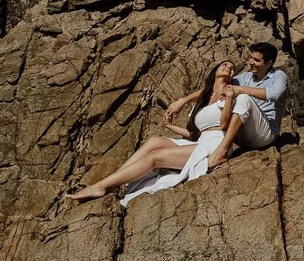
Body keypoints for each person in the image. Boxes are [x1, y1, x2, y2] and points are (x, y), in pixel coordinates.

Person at [67, 61, 237, 203]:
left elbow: (224, 125)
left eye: (232, 67)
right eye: (225, 64)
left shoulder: (229, 94)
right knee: (154, 141)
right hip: (200, 142)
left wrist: (229, 97)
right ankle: (113, 182)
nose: (228, 67)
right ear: (215, 70)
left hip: (215, 145)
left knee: (155, 157)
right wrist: (172, 124)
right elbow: (196, 133)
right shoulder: (205, 98)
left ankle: (100, 186)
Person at [198, 42, 287, 168]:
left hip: (265, 134)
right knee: (225, 99)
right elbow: (217, 88)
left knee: (243, 98)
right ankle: (200, 144)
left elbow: (275, 94)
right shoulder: (245, 77)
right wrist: (183, 101)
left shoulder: (279, 76)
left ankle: (222, 151)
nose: (251, 62)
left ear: (268, 63)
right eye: (250, 58)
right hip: (242, 136)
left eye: (256, 60)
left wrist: (241, 89)